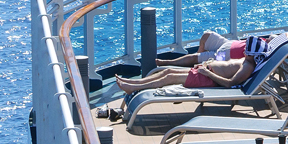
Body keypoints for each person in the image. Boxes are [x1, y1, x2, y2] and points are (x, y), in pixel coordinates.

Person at [114, 34, 278, 94]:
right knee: (168, 71)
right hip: (207, 71)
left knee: (169, 77)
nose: (245, 50)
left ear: (253, 54)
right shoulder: (247, 61)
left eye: (248, 49)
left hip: (208, 78)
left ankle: (134, 87)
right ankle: (133, 83)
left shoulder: (248, 67)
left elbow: (230, 84)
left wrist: (208, 73)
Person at [153, 31, 245, 68]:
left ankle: (169, 62)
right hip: (230, 43)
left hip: (226, 54)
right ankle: (198, 60)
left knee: (194, 57)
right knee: (207, 35)